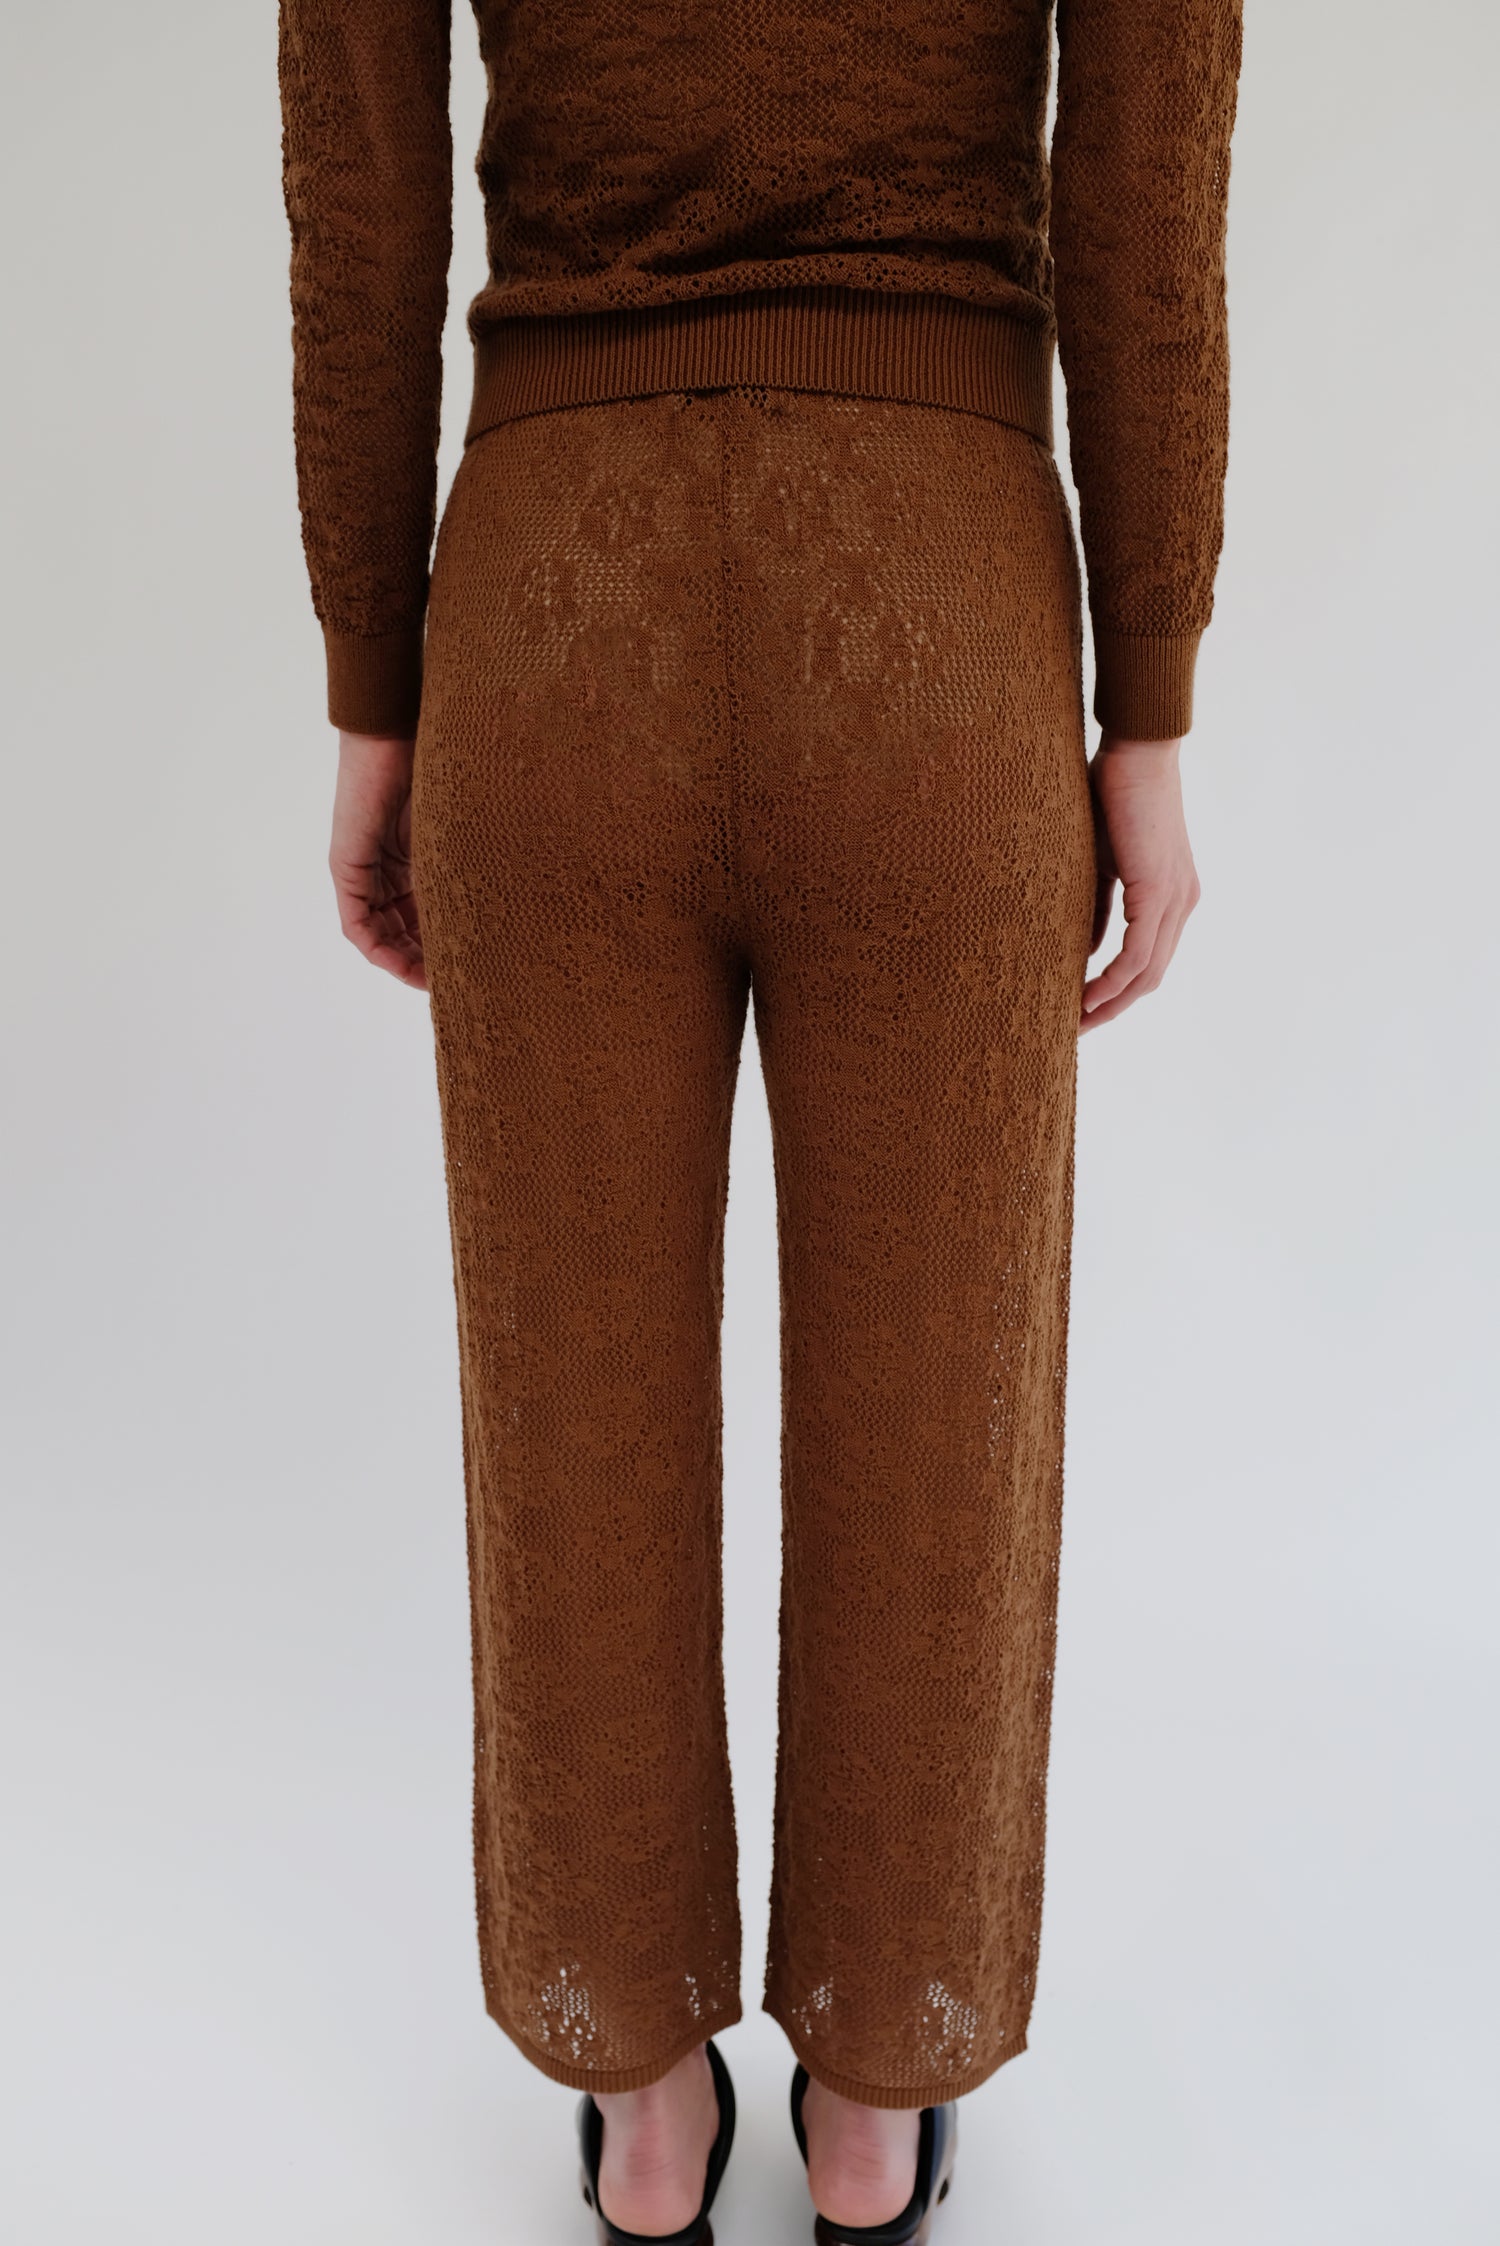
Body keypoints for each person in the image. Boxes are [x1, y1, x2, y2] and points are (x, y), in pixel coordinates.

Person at [278, 2, 1241, 2238]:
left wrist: (371, 688)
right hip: (941, 608)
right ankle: (876, 2109)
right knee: (940, 1408)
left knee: (571, 1399)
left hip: (551, 608)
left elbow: (361, 190)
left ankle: (640, 2107)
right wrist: (1150, 704)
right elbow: (1148, 186)